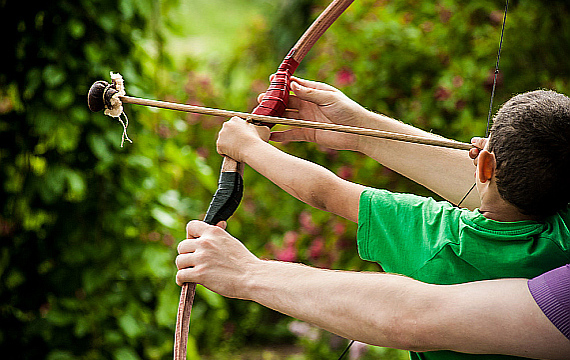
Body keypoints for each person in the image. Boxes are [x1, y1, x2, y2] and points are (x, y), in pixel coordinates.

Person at [177, 77, 570, 359]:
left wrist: (246, 147)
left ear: (483, 164)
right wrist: (359, 128)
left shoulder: (432, 231)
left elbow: (326, 193)